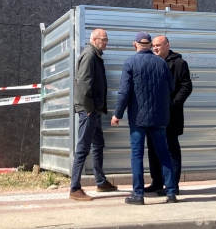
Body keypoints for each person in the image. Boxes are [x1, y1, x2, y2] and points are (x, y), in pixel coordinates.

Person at [110, 31, 177, 205]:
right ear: (150, 45)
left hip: (138, 118)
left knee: (137, 155)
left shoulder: (130, 63)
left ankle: (138, 195)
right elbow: (171, 87)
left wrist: (117, 114)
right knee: (164, 153)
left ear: (135, 45)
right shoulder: (161, 63)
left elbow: (124, 92)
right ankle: (171, 193)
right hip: (159, 117)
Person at [69, 28, 117, 200]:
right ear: (95, 39)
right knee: (83, 148)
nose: (106, 43)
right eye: (104, 40)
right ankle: (74, 188)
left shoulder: (95, 55)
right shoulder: (89, 55)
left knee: (98, 144)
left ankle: (101, 182)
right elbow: (83, 84)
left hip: (94, 110)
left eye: (106, 40)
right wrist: (89, 109)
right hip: (88, 111)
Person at [147, 35, 193, 195]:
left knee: (171, 149)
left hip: (171, 115)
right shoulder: (151, 62)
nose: (155, 48)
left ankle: (172, 185)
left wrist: (173, 104)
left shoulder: (179, 63)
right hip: (153, 114)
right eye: (153, 46)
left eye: (158, 45)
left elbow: (186, 87)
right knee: (153, 148)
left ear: (167, 45)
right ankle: (157, 182)